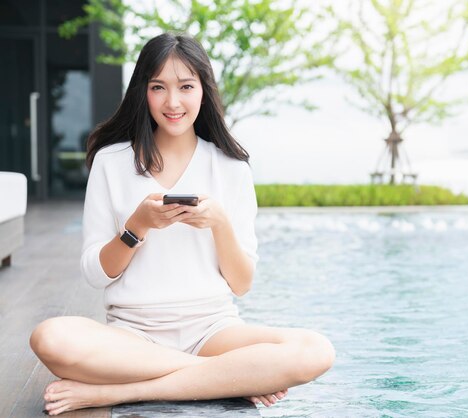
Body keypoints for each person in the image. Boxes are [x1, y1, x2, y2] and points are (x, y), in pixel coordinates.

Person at [29, 32, 335, 416]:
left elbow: (242, 284)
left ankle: (114, 393)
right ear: (143, 92)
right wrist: (136, 225)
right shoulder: (111, 162)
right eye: (159, 87)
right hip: (133, 336)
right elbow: (95, 273)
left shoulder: (231, 169)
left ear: (203, 90)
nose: (173, 102)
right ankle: (222, 378)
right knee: (50, 337)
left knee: (316, 350)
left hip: (213, 331)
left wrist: (219, 222)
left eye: (186, 86)